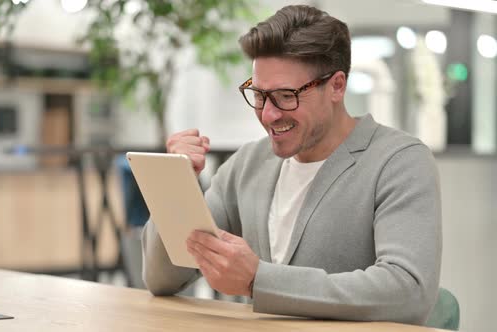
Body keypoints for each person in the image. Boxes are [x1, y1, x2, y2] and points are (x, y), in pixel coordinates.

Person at [141, 4, 442, 325]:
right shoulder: (248, 164)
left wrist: (259, 280)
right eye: (259, 94)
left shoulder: (399, 161)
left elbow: (409, 291)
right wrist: (174, 187)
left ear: (337, 86)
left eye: (286, 96)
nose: (268, 115)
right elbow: (163, 280)